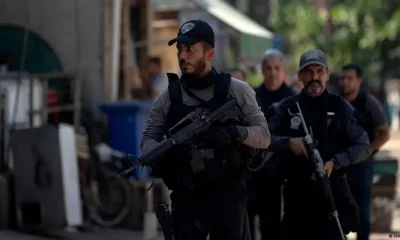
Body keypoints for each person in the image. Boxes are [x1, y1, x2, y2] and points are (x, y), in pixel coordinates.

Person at [140, 20, 270, 240]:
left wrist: (235, 132)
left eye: (190, 49)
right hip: (187, 197)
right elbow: (147, 140)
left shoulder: (237, 90)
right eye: (180, 49)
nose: (182, 56)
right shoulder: (167, 98)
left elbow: (264, 136)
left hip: (228, 195)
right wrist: (165, 151)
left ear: (210, 53)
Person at [267, 49, 371, 240]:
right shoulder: (286, 108)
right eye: (308, 72)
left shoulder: (340, 107)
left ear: (327, 74)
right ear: (300, 75)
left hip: (332, 197)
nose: (314, 77)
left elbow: (364, 146)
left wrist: (335, 162)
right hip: (297, 200)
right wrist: (288, 143)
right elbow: (263, 140)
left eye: (319, 71)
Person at [247, 49, 296, 240]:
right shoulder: (252, 97)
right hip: (253, 173)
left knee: (273, 228)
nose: (273, 72)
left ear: (283, 70)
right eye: (268, 68)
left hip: (281, 174)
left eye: (277, 68)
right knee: (247, 227)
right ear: (262, 70)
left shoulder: (294, 98)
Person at [340, 63, 390, 240]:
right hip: (340, 166)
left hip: (363, 167)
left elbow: (384, 132)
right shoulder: (336, 101)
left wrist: (368, 150)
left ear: (359, 80)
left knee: (363, 215)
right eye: (343, 78)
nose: (345, 82)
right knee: (339, 214)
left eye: (350, 78)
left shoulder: (368, 102)